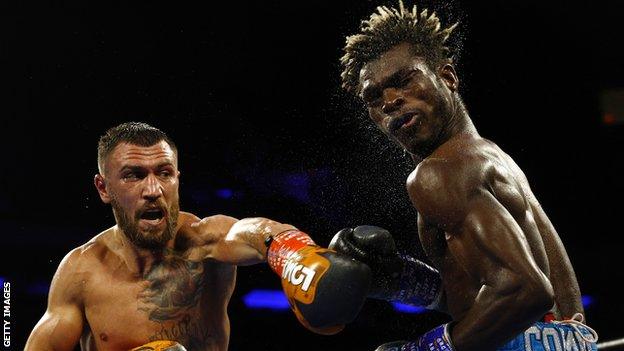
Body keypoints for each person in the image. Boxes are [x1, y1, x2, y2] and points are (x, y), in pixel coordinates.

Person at [330, 2, 599, 350]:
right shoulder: (491, 158)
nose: (391, 101)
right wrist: (401, 280)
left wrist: (426, 349)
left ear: (448, 77)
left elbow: (525, 290)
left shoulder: (438, 173)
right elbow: (486, 293)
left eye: (403, 81)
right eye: (374, 97)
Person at [24, 122, 370, 351]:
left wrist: (290, 250)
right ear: (104, 188)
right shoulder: (81, 272)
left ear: (177, 178)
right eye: (134, 175)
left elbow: (250, 231)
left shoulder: (203, 242)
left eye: (164, 173)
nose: (153, 189)